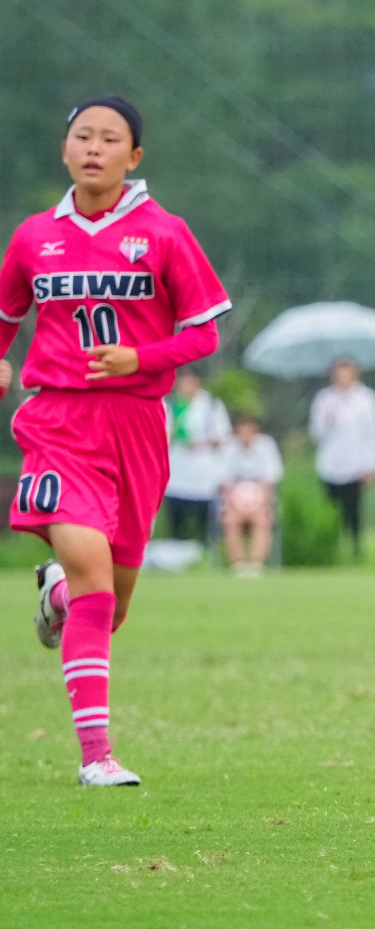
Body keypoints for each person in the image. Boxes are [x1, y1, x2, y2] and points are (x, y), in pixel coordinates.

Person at [0, 96, 230, 786]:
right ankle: (96, 758)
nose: (94, 148)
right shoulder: (33, 237)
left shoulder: (164, 233)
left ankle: (56, 597)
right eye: (82, 137)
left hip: (137, 429)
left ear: (134, 158)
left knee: (112, 603)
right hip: (58, 424)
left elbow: (205, 332)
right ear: (64, 149)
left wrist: (143, 357)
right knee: (96, 581)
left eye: (111, 140)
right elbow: (5, 314)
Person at [308, 358, 375, 559]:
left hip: (356, 464)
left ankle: (356, 550)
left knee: (354, 510)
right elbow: (316, 432)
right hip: (330, 463)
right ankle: (331, 550)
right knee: (331, 511)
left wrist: (372, 464)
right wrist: (328, 418)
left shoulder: (367, 399)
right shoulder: (325, 399)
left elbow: (373, 434)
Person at [163, 370, 231, 544]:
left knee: (204, 518)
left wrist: (200, 442)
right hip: (178, 469)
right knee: (177, 516)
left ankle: (205, 551)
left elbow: (223, 436)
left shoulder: (212, 406)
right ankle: (176, 552)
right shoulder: (172, 405)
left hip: (204, 470)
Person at [218, 413, 284, 576]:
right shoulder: (228, 447)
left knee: (262, 520)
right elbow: (225, 482)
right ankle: (238, 565)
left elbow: (270, 481)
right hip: (234, 501)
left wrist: (261, 503)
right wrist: (233, 503)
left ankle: (255, 564)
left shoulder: (266, 446)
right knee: (230, 520)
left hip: (260, 500)